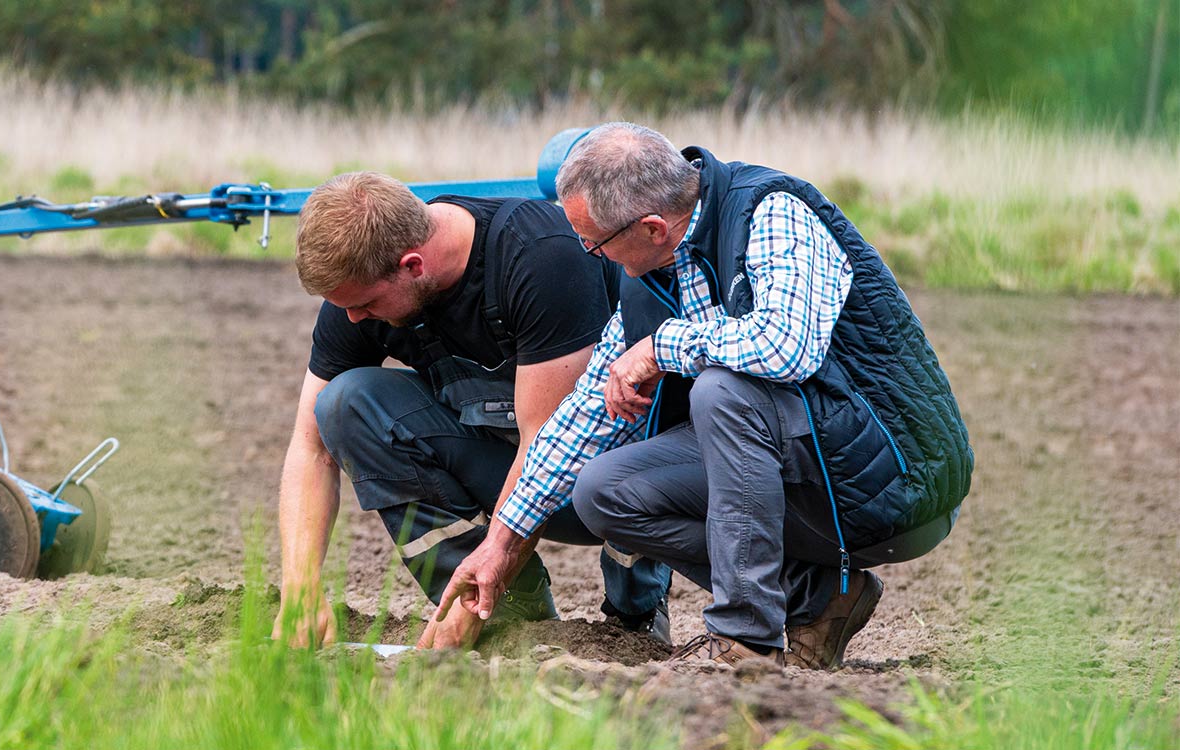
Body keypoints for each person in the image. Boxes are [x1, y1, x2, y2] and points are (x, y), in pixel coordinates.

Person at [436, 123, 972, 669]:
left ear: (651, 227)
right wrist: (500, 543)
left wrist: (660, 347)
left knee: (722, 389)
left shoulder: (771, 212)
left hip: (899, 484)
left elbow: (786, 347)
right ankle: (819, 597)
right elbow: (585, 415)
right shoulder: (648, 270)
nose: (589, 254)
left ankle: (745, 641)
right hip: (800, 472)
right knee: (603, 490)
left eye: (593, 242)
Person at [274, 171, 673, 651]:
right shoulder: (362, 285)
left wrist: (475, 596)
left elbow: (546, 447)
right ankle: (505, 616)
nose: (353, 318)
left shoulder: (537, 256)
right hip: (502, 458)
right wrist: (300, 589)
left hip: (593, 480)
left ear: (413, 265)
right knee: (342, 403)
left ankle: (636, 616)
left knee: (621, 455)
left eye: (365, 304)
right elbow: (309, 447)